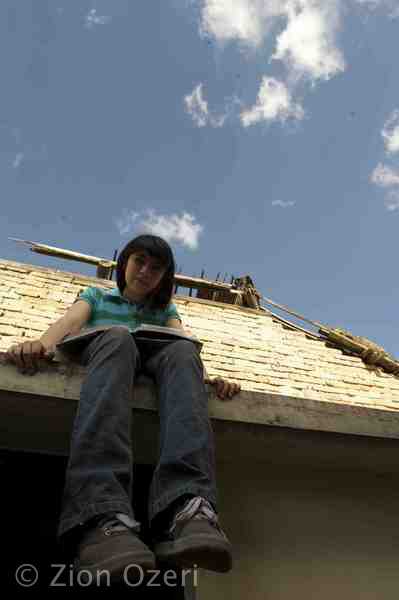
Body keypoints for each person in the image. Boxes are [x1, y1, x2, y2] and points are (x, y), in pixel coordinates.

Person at [6, 234, 241, 584]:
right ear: (125, 263)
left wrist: (207, 380)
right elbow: (70, 323)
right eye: (139, 261)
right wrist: (41, 344)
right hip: (109, 353)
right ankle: (100, 516)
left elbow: (183, 345)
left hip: (154, 356)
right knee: (118, 338)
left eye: (156, 267)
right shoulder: (98, 295)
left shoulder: (165, 311)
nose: (145, 271)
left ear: (164, 277)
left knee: (183, 350)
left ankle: (187, 509)